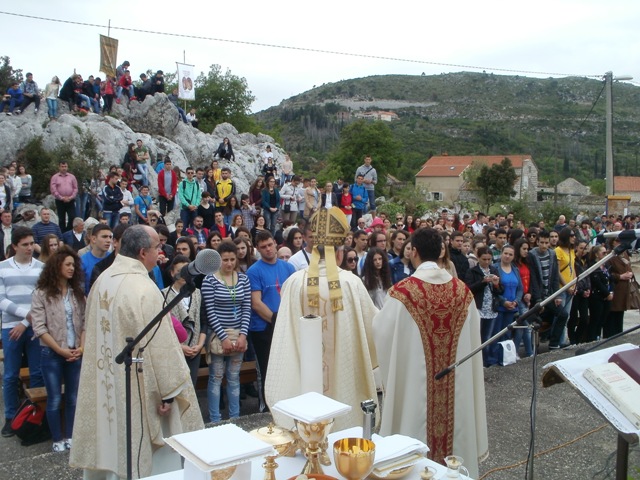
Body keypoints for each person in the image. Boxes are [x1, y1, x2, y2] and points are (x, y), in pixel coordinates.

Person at [69, 226, 204, 478]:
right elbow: (162, 347)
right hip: (138, 388)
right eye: (157, 248)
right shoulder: (143, 288)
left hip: (107, 381)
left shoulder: (102, 280)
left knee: (111, 439)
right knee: (148, 456)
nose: (160, 252)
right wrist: (169, 393)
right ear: (143, 252)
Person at [372, 228, 488, 477]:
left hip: (416, 392)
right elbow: (473, 338)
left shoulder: (403, 293)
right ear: (441, 252)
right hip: (456, 391)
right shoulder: (462, 293)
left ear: (413, 252)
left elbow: (380, 332)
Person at [266, 207, 379, 431]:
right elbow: (374, 327)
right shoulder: (351, 283)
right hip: (344, 380)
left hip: (304, 380)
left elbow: (284, 335)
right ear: (338, 253)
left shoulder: (294, 283)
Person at [30, 247, 86, 452]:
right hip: (52, 352)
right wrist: (60, 350)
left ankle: (70, 435)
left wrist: (81, 347)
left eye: (74, 265)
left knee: (72, 396)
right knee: (54, 397)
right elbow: (39, 327)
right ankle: (57, 438)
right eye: (68, 264)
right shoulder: (41, 293)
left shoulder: (77, 293)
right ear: (57, 266)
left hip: (75, 351)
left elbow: (84, 322)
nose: (72, 268)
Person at [0, 227, 45, 438]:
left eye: (31, 243)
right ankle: (10, 417)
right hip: (11, 327)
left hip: (33, 326)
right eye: (25, 244)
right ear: (15, 245)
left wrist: (26, 322)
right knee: (10, 374)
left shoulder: (41, 268)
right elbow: (2, 300)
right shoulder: (3, 268)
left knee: (36, 372)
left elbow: (41, 298)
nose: (30, 248)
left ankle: (33, 413)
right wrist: (24, 317)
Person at [202, 241, 251, 422]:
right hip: (218, 335)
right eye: (225, 260)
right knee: (216, 377)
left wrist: (243, 335)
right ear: (218, 260)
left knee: (234, 378)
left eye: (232, 259)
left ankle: (235, 417)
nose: (229, 263)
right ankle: (215, 419)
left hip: (238, 334)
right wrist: (223, 337)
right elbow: (210, 311)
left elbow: (247, 307)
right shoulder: (209, 280)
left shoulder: (244, 279)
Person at [247, 231, 295, 410]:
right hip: (263, 328)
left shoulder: (288, 268)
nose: (268, 249)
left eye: (269, 245)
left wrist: (285, 321)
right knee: (267, 371)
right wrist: (276, 320)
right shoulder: (254, 271)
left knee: (287, 368)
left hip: (285, 326)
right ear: (258, 249)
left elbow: (293, 297)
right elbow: (256, 303)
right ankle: (266, 407)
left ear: (275, 243)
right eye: (263, 247)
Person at [162, 255, 205, 387]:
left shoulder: (198, 293)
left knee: (191, 385)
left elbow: (203, 320)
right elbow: (162, 328)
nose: (182, 274)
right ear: (172, 272)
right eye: (179, 270)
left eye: (185, 270)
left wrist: (199, 345)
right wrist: (180, 347)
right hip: (174, 350)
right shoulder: (163, 294)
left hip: (194, 348)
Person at [465, 246, 502, 367]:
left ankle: (486, 360)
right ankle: (478, 361)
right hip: (478, 307)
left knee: (488, 336)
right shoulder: (473, 271)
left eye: (489, 259)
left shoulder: (494, 270)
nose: (486, 262)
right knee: (477, 336)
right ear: (478, 258)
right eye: (484, 259)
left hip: (491, 307)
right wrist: (483, 282)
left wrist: (496, 285)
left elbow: (500, 291)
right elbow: (469, 289)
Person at [606, 236, 635, 338]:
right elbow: (606, 273)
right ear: (612, 242)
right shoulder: (610, 255)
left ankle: (619, 335)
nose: (620, 243)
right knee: (612, 314)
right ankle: (610, 336)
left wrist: (630, 274)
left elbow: (629, 266)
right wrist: (620, 276)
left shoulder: (625, 254)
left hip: (624, 287)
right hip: (615, 288)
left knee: (620, 314)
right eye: (617, 241)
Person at [50, 161, 78, 233]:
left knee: (72, 217)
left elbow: (75, 188)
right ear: (59, 167)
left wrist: (71, 197)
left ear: (67, 167)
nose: (64, 168)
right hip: (60, 201)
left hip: (70, 200)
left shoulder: (72, 177)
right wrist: (61, 198)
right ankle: (62, 234)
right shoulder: (55, 177)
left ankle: (68, 231)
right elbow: (53, 189)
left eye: (65, 166)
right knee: (61, 219)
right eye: (62, 167)